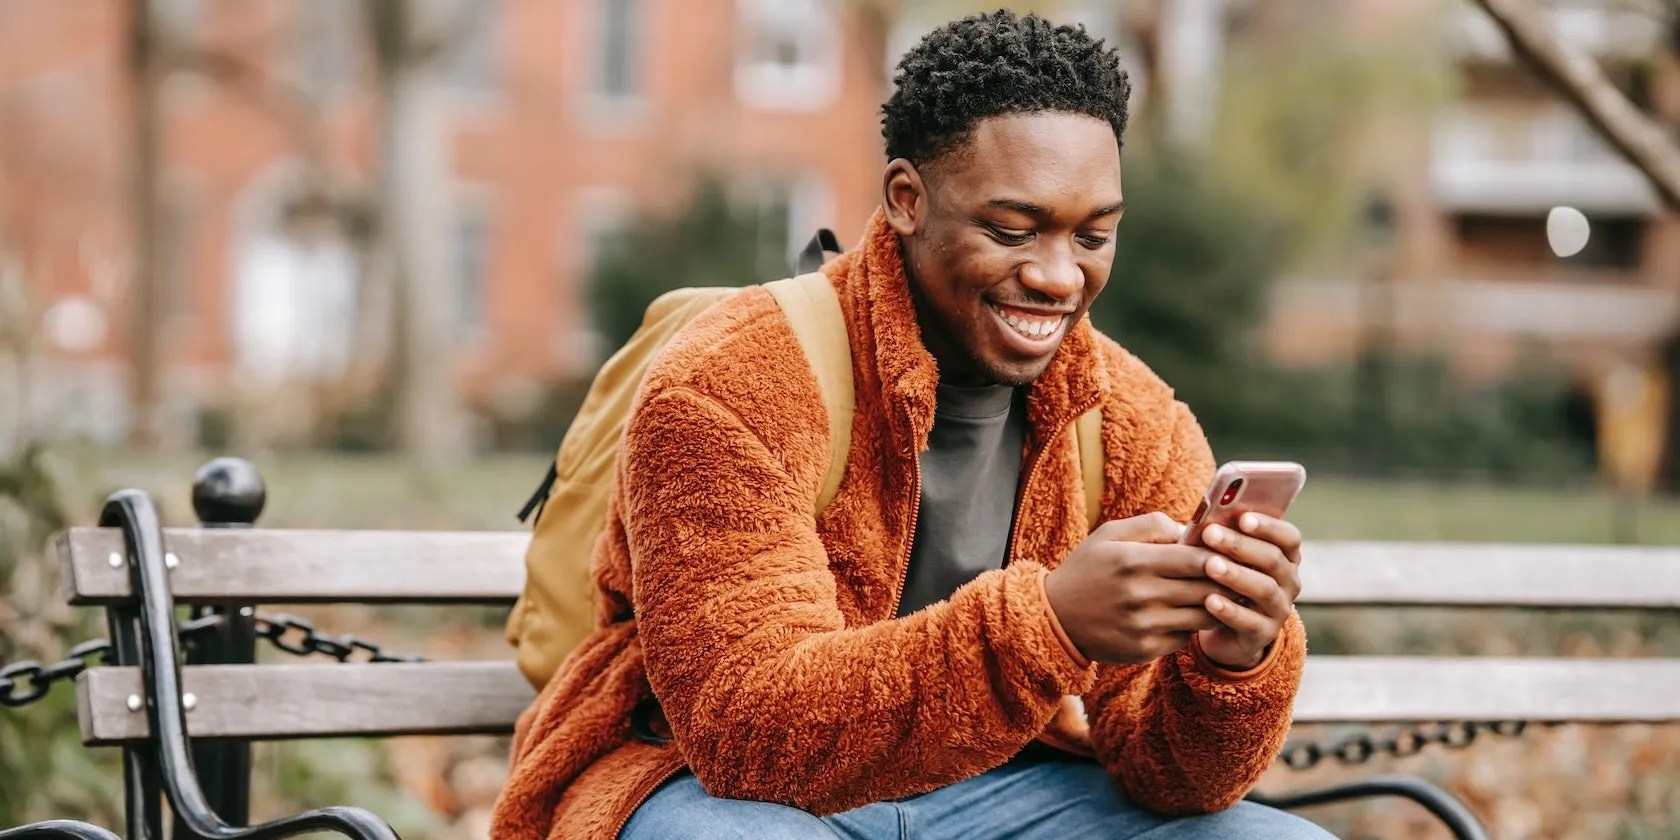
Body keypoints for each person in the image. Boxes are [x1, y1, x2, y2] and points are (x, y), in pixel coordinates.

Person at [492, 10, 1330, 839]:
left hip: (1001, 789)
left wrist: (1230, 660)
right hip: (707, 786)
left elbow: (1171, 779)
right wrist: (1050, 625)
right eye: (1011, 230)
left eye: (1094, 235)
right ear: (906, 200)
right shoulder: (731, 377)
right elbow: (744, 735)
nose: (1056, 275)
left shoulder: (1130, 419)